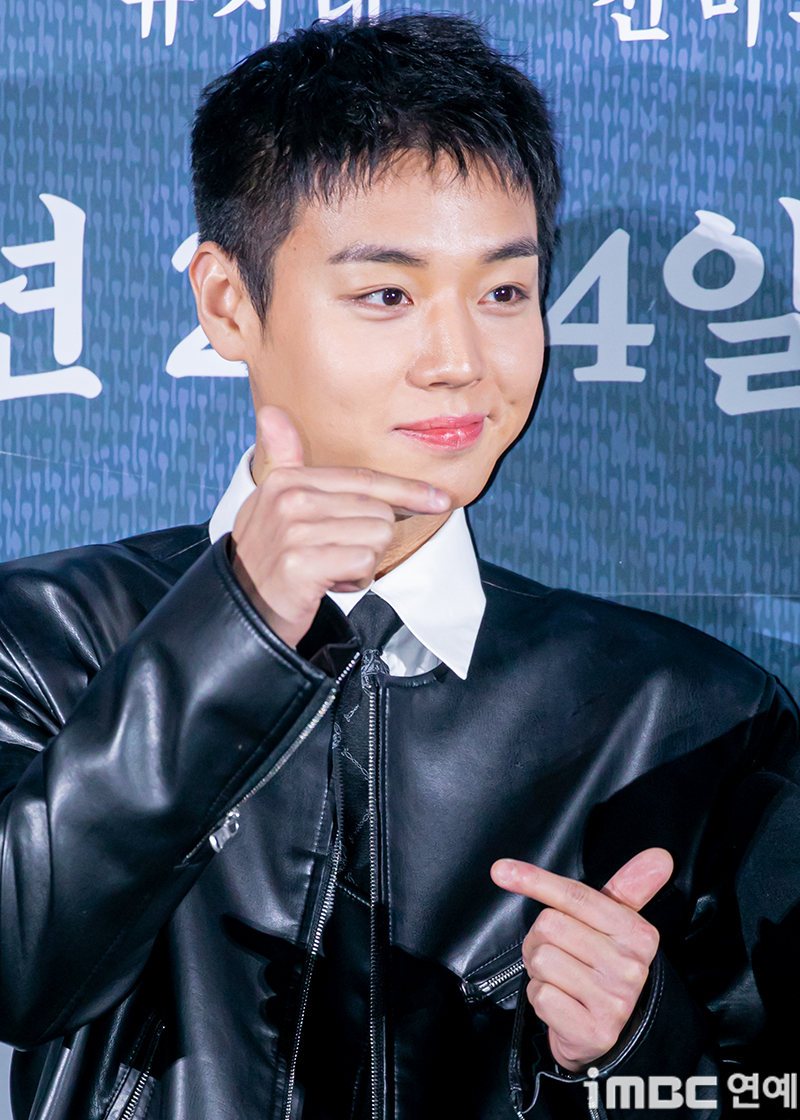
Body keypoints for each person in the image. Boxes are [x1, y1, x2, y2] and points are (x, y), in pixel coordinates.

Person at [0, 13, 797, 1120]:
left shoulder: (686, 716)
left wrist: (633, 1048)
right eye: (387, 294)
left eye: (504, 292)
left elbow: (759, 1088)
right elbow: (19, 974)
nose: (459, 360)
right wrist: (235, 627)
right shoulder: (42, 641)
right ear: (227, 302)